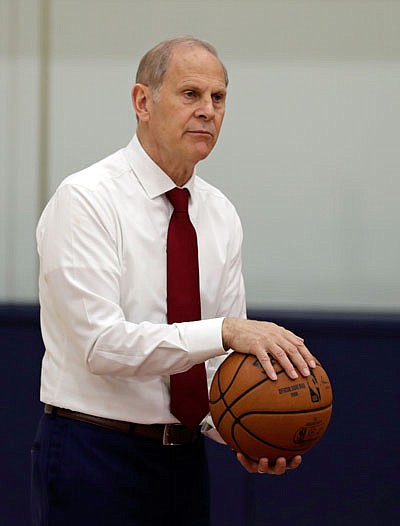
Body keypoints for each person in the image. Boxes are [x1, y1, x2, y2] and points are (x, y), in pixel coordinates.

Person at [31, 36, 317, 526]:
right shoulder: (85, 200)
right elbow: (102, 346)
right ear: (143, 102)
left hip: (184, 463)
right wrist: (224, 330)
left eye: (219, 97)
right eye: (191, 94)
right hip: (93, 453)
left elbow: (215, 370)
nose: (208, 110)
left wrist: (241, 431)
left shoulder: (220, 213)